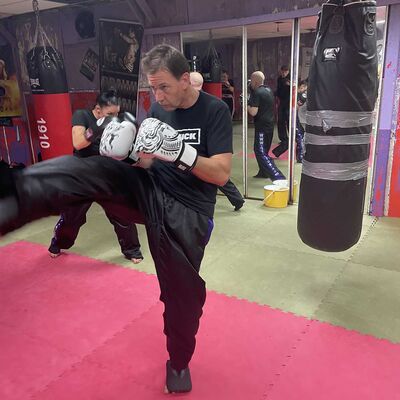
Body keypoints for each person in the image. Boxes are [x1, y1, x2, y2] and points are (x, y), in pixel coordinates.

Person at [0, 44, 233, 393]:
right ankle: (13, 196)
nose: (157, 95)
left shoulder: (214, 110)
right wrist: (128, 155)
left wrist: (181, 152)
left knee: (182, 295)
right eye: (152, 87)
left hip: (189, 211)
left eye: (164, 86)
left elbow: (221, 174)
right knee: (93, 168)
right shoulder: (157, 108)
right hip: (150, 189)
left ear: (185, 80)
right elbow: (148, 161)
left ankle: (179, 362)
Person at [48, 90, 143, 263]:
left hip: (107, 175)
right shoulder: (82, 116)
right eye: (110, 114)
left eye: (117, 113)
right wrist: (98, 128)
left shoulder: (119, 122)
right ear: (98, 110)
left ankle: (132, 250)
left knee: (122, 213)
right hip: (82, 176)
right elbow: (77, 143)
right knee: (72, 217)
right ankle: (58, 242)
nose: (114, 117)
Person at [190, 71, 244, 211]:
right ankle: (237, 199)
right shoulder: (207, 104)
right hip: (202, 142)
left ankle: (237, 199)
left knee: (215, 173)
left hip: (206, 144)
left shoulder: (210, 105)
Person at [247, 71, 285, 181]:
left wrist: (245, 104)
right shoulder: (268, 90)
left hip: (262, 127)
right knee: (263, 150)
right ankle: (263, 172)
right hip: (269, 125)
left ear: (255, 81)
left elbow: (253, 112)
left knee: (260, 151)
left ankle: (278, 177)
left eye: (251, 80)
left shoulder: (257, 93)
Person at [273, 65, 291, 158]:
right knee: (280, 121)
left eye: (286, 71)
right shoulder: (279, 79)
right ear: (281, 71)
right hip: (282, 101)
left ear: (288, 71)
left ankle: (291, 138)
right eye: (283, 71)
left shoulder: (291, 78)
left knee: (288, 120)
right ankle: (283, 138)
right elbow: (279, 90)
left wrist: (290, 84)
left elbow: (294, 89)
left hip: (289, 102)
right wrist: (276, 97)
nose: (284, 73)